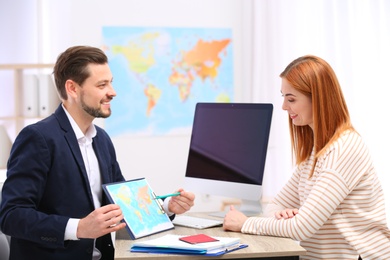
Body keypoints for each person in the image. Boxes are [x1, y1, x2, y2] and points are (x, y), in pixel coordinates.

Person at [0, 46, 195, 260]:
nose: (112, 92)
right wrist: (79, 228)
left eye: (111, 82)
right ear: (73, 89)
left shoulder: (101, 139)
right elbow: (11, 216)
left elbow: (122, 202)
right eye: (102, 85)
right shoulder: (38, 138)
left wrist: (166, 206)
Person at [223, 55, 390, 259]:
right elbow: (274, 206)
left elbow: (303, 228)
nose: (284, 107)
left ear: (318, 99)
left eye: (291, 99)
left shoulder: (344, 148)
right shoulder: (317, 151)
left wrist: (245, 223)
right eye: (283, 97)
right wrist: (282, 217)